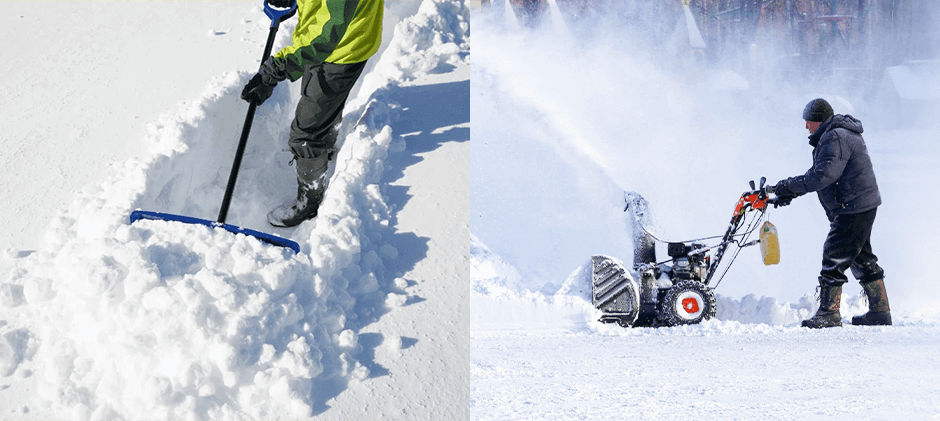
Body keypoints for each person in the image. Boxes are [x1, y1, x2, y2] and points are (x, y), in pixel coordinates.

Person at [240, 0, 384, 227]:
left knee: (305, 133)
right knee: (322, 106)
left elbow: (326, 38)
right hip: (327, 42)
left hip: (341, 49)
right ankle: (324, 147)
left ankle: (308, 203)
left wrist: (276, 69)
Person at [773, 98, 891, 329]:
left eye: (809, 121)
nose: (806, 126)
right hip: (859, 204)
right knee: (861, 257)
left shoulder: (835, 137)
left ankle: (829, 312)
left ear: (819, 120)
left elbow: (822, 176)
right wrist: (790, 191)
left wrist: (788, 186)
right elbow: (820, 172)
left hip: (853, 206)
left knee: (834, 255)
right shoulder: (835, 135)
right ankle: (880, 311)